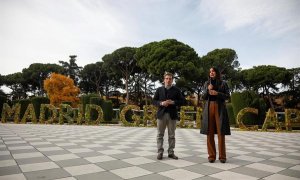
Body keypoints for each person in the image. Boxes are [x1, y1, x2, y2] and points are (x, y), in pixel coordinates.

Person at [200, 67, 231, 163]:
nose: (211, 73)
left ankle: (222, 157)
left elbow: (228, 96)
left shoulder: (223, 83)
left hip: (220, 108)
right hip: (209, 108)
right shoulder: (206, 83)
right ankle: (211, 156)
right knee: (209, 133)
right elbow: (203, 97)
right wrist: (207, 90)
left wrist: (217, 93)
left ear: (216, 73)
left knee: (221, 133)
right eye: (210, 71)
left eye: (213, 71)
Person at [153, 72, 185, 160]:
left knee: (172, 135)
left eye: (170, 79)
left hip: (172, 115)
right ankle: (160, 152)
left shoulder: (177, 90)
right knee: (160, 134)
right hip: (161, 115)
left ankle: (171, 152)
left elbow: (182, 101)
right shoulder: (159, 90)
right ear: (164, 80)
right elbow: (154, 101)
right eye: (166, 78)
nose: (168, 80)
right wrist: (161, 103)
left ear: (172, 80)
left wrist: (173, 102)